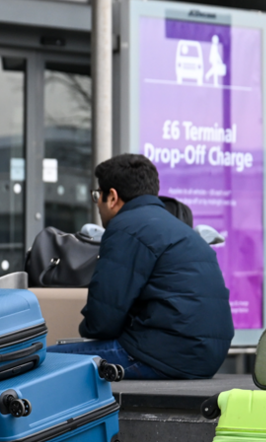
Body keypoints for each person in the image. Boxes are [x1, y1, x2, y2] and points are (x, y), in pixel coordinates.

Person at [48, 154, 233, 379]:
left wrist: (86, 329)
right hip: (206, 359)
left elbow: (102, 321)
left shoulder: (125, 228)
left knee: (43, 362)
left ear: (112, 197)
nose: (97, 203)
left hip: (160, 357)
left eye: (98, 195)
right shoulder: (179, 229)